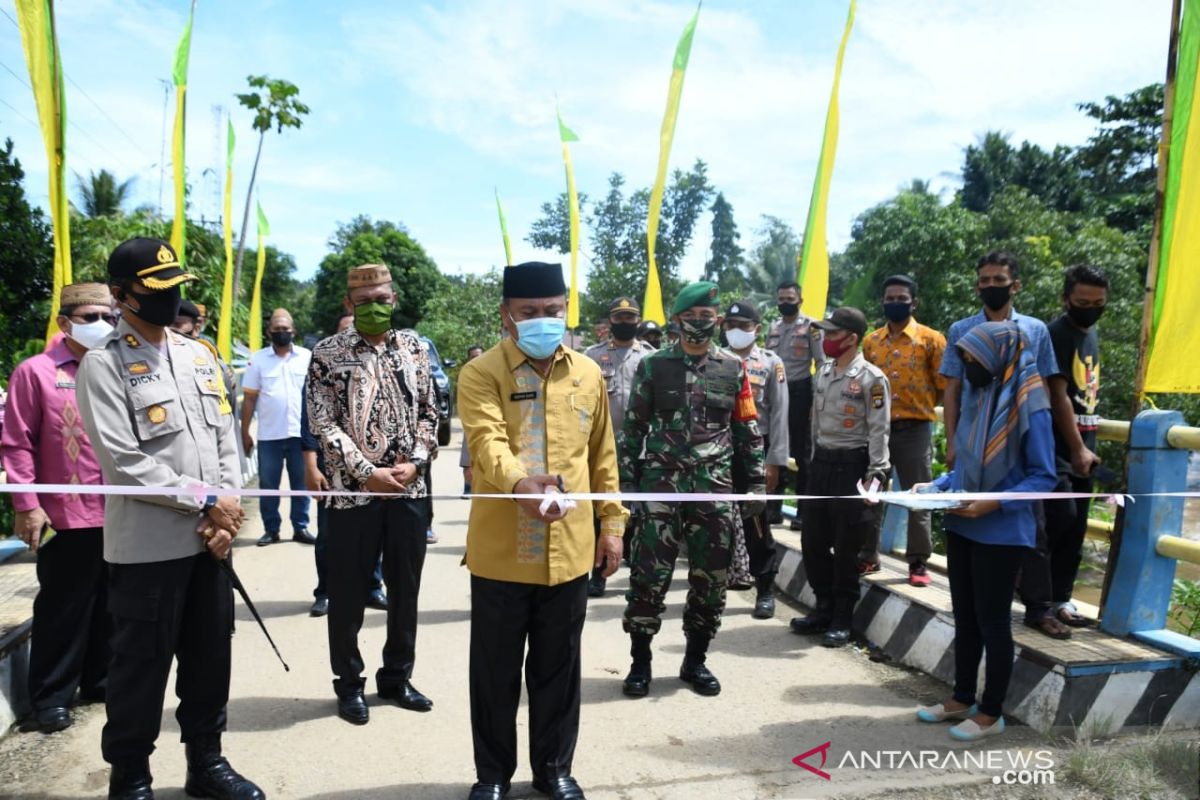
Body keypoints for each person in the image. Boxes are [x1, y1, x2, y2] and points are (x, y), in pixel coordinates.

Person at [76, 237, 262, 799]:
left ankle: (206, 762)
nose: (169, 300)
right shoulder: (103, 366)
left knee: (210, 659)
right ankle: (130, 773)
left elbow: (226, 440)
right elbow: (123, 462)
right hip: (149, 548)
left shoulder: (198, 355)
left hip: (210, 543)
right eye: (155, 291)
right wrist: (207, 501)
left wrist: (227, 510)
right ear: (120, 295)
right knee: (139, 668)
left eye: (176, 289)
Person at [458, 261, 624, 800]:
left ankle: (553, 768)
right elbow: (487, 444)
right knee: (495, 673)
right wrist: (520, 484)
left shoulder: (588, 373)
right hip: (502, 552)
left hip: (570, 549)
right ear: (507, 315)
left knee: (559, 669)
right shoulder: (482, 372)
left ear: (566, 310)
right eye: (529, 312)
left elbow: (603, 455)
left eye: (553, 311)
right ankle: (493, 775)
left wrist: (612, 525)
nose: (543, 320)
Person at [306, 264, 439, 726]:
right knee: (347, 594)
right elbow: (322, 422)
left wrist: (415, 462)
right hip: (351, 496)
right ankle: (348, 683)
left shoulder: (416, 348)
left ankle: (397, 677)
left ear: (395, 298)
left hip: (409, 491)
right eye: (363, 303)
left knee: (406, 591)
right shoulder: (327, 353)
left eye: (382, 299)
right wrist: (365, 472)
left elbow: (430, 412)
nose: (374, 309)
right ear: (349, 304)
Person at [621, 281, 765, 699]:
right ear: (677, 320)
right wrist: (628, 483)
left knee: (711, 581)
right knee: (649, 578)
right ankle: (640, 663)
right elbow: (634, 428)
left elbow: (747, 429)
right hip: (660, 488)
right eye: (692, 317)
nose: (699, 324)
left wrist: (755, 483)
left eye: (707, 317)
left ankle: (695, 661)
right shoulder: (654, 366)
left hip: (713, 488)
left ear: (717, 320)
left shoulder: (733, 369)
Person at [914, 321, 1057, 741]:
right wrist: (939, 485)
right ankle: (961, 697)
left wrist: (992, 502)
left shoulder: (1032, 405)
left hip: (1001, 529)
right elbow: (968, 462)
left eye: (974, 359)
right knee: (966, 617)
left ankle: (992, 713)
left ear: (998, 356)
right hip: (963, 520)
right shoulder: (981, 394)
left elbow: (1043, 477)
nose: (969, 367)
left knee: (994, 622)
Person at [940, 251, 1081, 640]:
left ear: (1014, 285)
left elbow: (1054, 389)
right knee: (969, 516)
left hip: (1022, 436)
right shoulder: (961, 330)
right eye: (983, 280)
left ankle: (1039, 606)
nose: (990, 287)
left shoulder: (1035, 330)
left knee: (1034, 521)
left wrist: (1075, 445)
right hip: (975, 439)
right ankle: (978, 600)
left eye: (998, 280)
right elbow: (952, 390)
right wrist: (952, 442)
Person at [1, 283, 114, 734]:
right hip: (63, 514)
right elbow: (16, 443)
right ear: (65, 323)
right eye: (91, 317)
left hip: (120, 512)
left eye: (109, 315)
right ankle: (50, 697)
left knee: (110, 604)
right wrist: (27, 504)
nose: (102, 325)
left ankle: (100, 681)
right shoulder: (36, 373)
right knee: (64, 606)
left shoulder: (114, 368)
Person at [789, 307, 890, 648]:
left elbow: (879, 430)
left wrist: (876, 474)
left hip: (853, 466)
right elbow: (816, 423)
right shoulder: (824, 372)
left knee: (847, 545)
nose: (826, 340)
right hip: (822, 464)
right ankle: (823, 607)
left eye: (832, 334)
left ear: (851, 338)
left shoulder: (872, 379)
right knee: (813, 540)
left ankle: (843, 616)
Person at [1021, 265, 1109, 628]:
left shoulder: (1091, 334)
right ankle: (1033, 597)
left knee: (1077, 528)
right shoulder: (1056, 334)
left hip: (1085, 444)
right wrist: (1076, 449)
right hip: (1055, 447)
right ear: (1065, 299)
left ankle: (1060, 600)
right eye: (1082, 301)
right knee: (1059, 519)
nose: (1090, 308)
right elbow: (1058, 396)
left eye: (1098, 303)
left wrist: (1086, 447)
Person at [860, 275, 946, 585]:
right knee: (872, 494)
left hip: (915, 429)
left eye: (902, 298)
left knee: (919, 496)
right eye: (890, 298)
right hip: (876, 430)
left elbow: (943, 386)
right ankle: (868, 556)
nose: (895, 303)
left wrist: (917, 407)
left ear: (914, 302)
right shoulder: (871, 341)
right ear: (882, 301)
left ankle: (918, 562)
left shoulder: (932, 339)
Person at [302, 313, 386, 618]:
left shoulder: (376, 367)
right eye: (345, 331)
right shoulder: (321, 367)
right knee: (328, 537)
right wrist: (311, 467)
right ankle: (325, 591)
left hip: (373, 472)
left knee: (374, 534)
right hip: (333, 471)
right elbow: (309, 423)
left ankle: (373, 587)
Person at [582, 296, 654, 597]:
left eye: (630, 317)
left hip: (644, 448)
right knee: (603, 512)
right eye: (619, 317)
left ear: (637, 320)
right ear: (610, 320)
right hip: (603, 449)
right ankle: (598, 575)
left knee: (642, 515)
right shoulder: (591, 357)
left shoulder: (652, 358)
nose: (624, 322)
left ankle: (638, 576)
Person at [721, 299, 788, 619]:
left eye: (743, 327)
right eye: (731, 326)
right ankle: (712, 587)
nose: (736, 332)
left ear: (757, 330)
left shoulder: (771, 363)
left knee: (756, 522)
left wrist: (775, 462)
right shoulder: (714, 359)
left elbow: (779, 416)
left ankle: (765, 588)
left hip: (754, 452)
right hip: (717, 451)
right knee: (714, 521)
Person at [241, 308, 314, 546]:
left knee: (300, 483)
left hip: (300, 434)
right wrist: (244, 432)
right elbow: (250, 398)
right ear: (269, 331)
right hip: (269, 436)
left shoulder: (307, 357)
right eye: (277, 329)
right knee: (268, 485)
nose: (281, 333)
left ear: (293, 331)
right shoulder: (258, 360)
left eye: (286, 329)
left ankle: (300, 527)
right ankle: (271, 529)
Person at [765, 280, 822, 531]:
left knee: (803, 454)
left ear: (800, 300)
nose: (785, 303)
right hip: (776, 391)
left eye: (790, 299)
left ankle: (802, 512)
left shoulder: (812, 327)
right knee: (776, 447)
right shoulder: (773, 327)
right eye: (781, 299)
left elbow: (820, 363)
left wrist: (817, 400)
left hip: (801, 392)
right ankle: (774, 509)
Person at [459, 343, 485, 495]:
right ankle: (468, 486)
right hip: (471, 423)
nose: (477, 360)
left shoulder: (493, 375)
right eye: (473, 357)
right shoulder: (466, 376)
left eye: (480, 357)